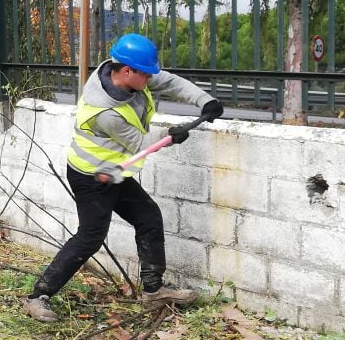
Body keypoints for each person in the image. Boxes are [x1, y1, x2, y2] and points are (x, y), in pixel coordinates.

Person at [22, 32, 224, 322]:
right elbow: (142, 143)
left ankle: (154, 292)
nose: (151, 79)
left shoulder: (122, 72)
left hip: (113, 171)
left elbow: (168, 81)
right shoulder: (105, 111)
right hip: (91, 176)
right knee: (90, 236)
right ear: (127, 71)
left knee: (148, 218)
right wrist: (172, 135)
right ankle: (37, 297)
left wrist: (205, 101)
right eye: (146, 74)